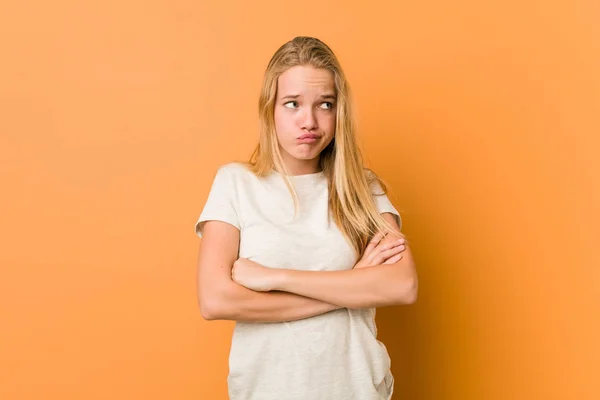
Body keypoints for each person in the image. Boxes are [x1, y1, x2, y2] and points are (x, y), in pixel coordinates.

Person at [194, 36, 418, 400]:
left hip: (356, 389)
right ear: (271, 109)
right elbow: (216, 300)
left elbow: (401, 285)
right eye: (293, 104)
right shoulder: (235, 184)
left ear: (338, 110)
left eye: (324, 104)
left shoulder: (363, 188)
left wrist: (274, 278)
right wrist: (353, 286)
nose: (309, 121)